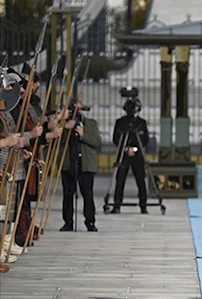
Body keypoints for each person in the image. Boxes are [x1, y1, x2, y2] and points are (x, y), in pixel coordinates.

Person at [60, 99, 101, 232]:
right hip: (69, 163)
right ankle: (68, 222)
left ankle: (90, 221)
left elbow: (96, 142)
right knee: (68, 194)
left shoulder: (91, 124)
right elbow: (59, 142)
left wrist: (83, 135)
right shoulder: (65, 125)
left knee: (87, 194)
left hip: (85, 164)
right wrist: (66, 127)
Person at [111, 97, 149, 214]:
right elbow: (116, 139)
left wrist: (135, 149)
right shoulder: (120, 122)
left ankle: (143, 205)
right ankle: (117, 205)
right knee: (120, 180)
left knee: (140, 180)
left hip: (138, 156)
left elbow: (145, 140)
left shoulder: (141, 123)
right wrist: (126, 148)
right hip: (123, 155)